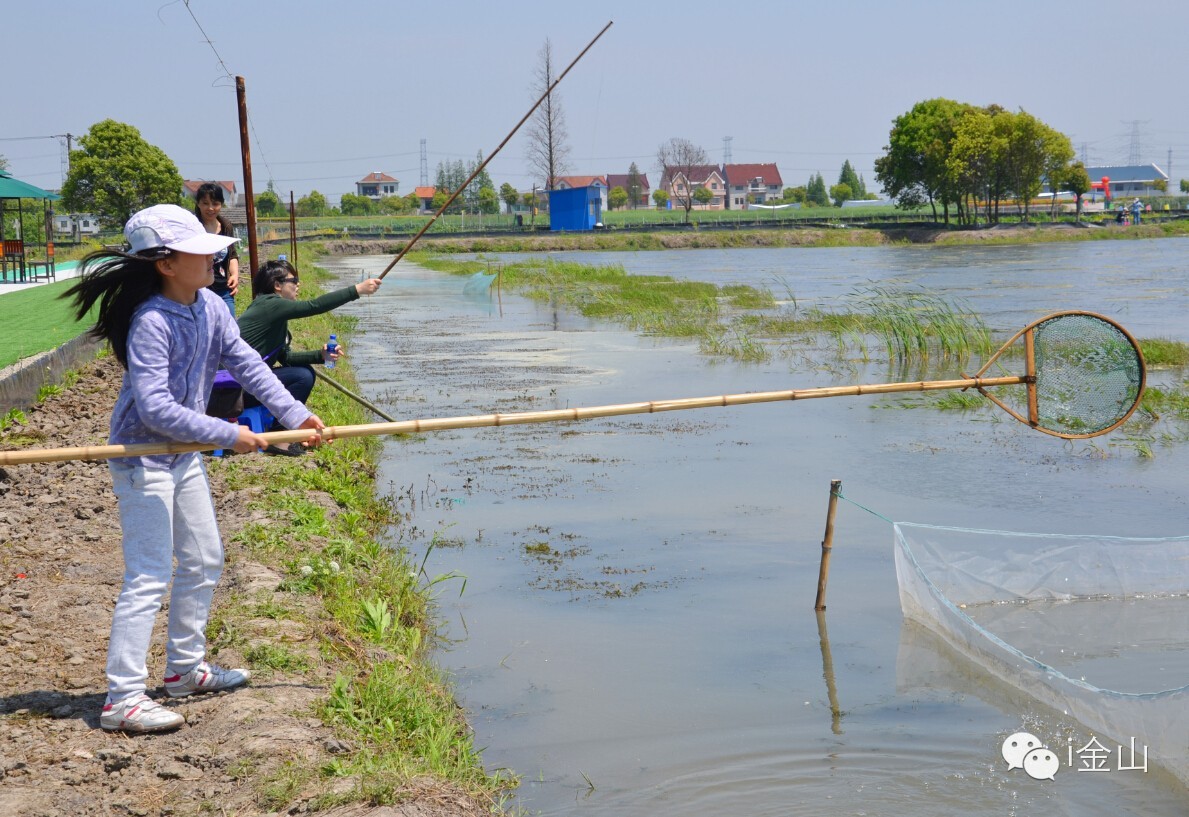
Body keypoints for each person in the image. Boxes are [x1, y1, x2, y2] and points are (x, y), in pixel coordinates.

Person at [62, 204, 326, 734]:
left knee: (205, 559)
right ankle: (122, 699)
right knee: (150, 574)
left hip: (183, 456)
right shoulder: (151, 322)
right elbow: (155, 408)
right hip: (143, 459)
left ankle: (184, 670)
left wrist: (295, 414)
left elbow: (247, 363)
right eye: (199, 251)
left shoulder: (209, 305)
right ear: (164, 263)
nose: (215, 257)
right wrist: (230, 434)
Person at [236, 258, 382, 455]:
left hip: (242, 386)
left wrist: (320, 355)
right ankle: (279, 438)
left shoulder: (272, 312)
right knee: (302, 376)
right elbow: (313, 306)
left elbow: (285, 357)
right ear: (277, 285)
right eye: (293, 280)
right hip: (232, 391)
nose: (298, 284)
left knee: (303, 372)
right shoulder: (270, 304)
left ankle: (282, 433)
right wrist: (357, 290)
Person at [193, 182, 240, 313]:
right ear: (198, 203)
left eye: (215, 203)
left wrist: (235, 275)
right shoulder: (193, 227)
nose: (211, 208)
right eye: (205, 203)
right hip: (199, 291)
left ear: (221, 204)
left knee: (230, 330)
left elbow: (232, 255)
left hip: (223, 290)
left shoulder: (225, 226)